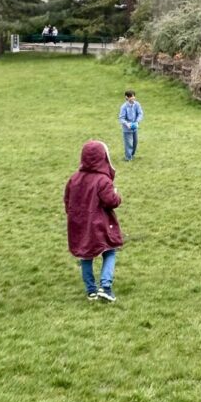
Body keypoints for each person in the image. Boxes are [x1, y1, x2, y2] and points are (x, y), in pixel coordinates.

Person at [65, 140, 123, 302]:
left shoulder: (74, 179)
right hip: (100, 224)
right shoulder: (102, 180)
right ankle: (105, 286)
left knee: (86, 255)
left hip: (80, 224)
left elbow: (68, 201)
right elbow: (111, 201)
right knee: (110, 250)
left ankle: (91, 290)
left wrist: (73, 218)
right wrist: (116, 195)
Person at [119, 90, 144, 162]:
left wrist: (137, 122)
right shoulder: (124, 107)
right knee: (129, 143)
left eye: (133, 96)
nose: (132, 98)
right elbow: (121, 118)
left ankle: (132, 155)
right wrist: (127, 124)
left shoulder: (137, 104)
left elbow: (140, 113)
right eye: (130, 97)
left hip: (135, 127)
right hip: (127, 128)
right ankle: (128, 158)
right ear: (126, 97)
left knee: (135, 142)